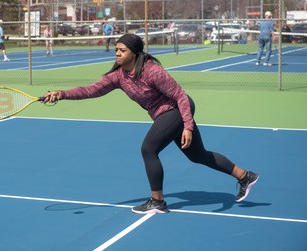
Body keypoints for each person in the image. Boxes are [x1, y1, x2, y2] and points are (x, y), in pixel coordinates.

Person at [43, 33, 259, 214]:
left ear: (135, 53)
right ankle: (245, 176)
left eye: (122, 50)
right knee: (197, 155)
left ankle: (157, 201)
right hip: (164, 115)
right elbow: (91, 90)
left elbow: (181, 96)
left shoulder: (152, 71)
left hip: (176, 109)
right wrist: (61, 94)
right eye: (116, 49)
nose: (117, 53)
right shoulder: (118, 76)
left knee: (149, 148)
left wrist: (188, 126)